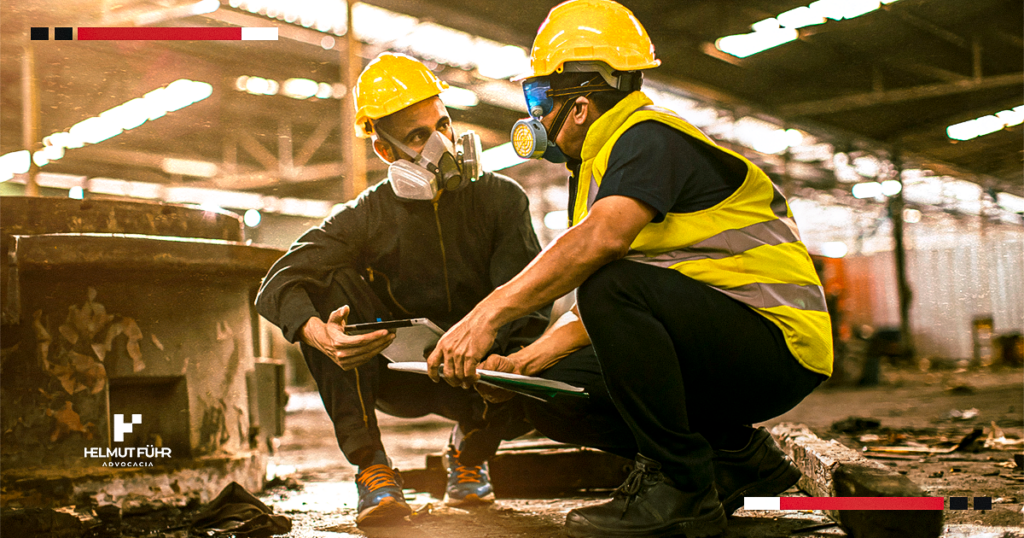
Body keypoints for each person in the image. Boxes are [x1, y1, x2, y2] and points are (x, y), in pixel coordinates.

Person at [426, 1, 834, 537]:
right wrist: (525, 363)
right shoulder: (598, 163)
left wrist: (485, 316)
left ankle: (680, 486)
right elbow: (619, 303)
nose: (533, 114)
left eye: (539, 96)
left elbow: (605, 254)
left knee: (607, 278)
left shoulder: (647, 137)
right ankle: (734, 458)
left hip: (777, 346)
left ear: (579, 105)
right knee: (549, 394)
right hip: (722, 340)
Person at [255, 52, 552, 526]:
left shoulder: (502, 200)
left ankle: (470, 450)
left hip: (479, 376)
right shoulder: (365, 216)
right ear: (386, 151)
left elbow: (529, 303)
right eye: (418, 136)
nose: (442, 144)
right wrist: (319, 334)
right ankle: (373, 470)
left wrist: (502, 355)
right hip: (396, 374)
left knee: (531, 341)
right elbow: (280, 280)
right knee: (328, 284)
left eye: (444, 125)